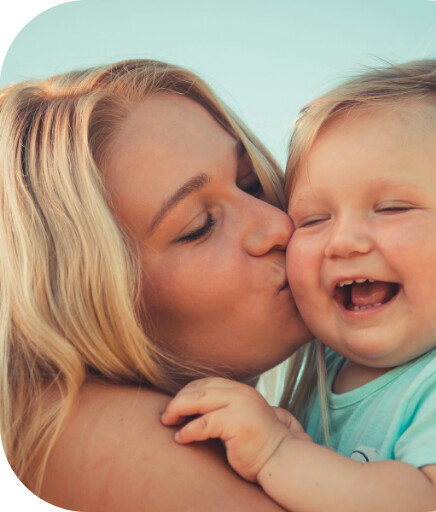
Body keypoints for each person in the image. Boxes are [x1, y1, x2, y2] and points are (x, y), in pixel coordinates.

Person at [161, 59, 436, 512]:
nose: (342, 242)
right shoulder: (320, 361)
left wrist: (278, 453)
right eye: (313, 219)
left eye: (390, 208)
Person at [0, 59, 314, 511]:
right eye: (199, 226)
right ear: (85, 302)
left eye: (251, 182)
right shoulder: (74, 432)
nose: (277, 226)